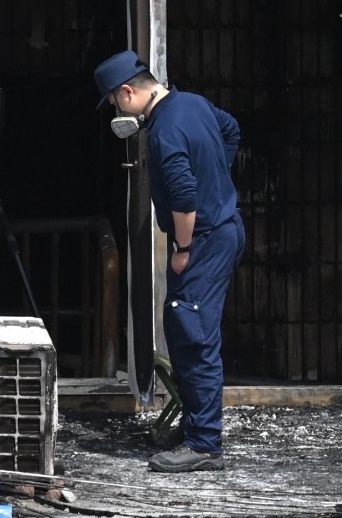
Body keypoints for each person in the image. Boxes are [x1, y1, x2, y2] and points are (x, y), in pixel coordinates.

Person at [93, 50, 245, 473]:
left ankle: (205, 444)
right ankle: (196, 426)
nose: (117, 110)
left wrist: (181, 248)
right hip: (225, 227)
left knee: (194, 334)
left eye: (115, 101)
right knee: (181, 327)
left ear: (128, 92)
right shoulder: (193, 103)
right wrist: (217, 175)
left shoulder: (163, 130)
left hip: (204, 239)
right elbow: (232, 129)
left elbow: (183, 195)